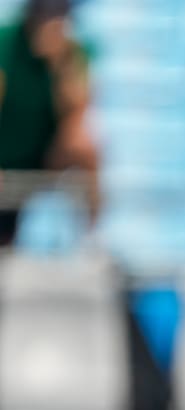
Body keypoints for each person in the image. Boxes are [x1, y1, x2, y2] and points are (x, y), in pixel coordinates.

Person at [0, 0, 99, 247]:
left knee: (85, 147)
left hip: (45, 157)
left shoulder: (76, 53)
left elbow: (75, 124)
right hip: (5, 155)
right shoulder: (5, 43)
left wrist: (60, 69)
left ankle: (90, 240)